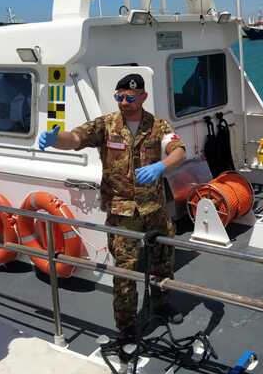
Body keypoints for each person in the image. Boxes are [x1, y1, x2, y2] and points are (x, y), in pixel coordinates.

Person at [37, 74, 186, 337]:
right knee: (125, 271)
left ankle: (162, 304)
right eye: (119, 97)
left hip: (154, 209)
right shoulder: (106, 125)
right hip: (121, 212)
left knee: (163, 261)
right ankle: (127, 327)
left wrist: (161, 166)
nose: (124, 102)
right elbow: (75, 138)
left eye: (130, 97)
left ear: (143, 97)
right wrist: (55, 140)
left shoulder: (158, 126)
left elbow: (178, 151)